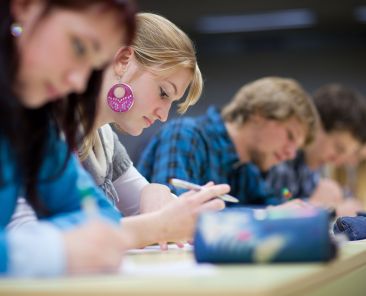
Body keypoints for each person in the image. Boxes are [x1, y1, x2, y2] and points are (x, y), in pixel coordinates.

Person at [1, 0, 230, 277]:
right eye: (78, 47)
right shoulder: (43, 120)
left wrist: (151, 191)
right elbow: (26, 234)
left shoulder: (40, 126)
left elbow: (94, 218)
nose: (77, 81)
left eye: (93, 62)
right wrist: (150, 227)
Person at [138, 77, 318, 206]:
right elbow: (175, 216)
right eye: (290, 136)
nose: (291, 154)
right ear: (259, 113)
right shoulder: (186, 135)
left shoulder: (246, 168)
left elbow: (277, 207)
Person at [266, 84, 366, 213]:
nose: (339, 160)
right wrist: (318, 207)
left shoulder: (314, 171)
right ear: (317, 125)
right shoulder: (280, 159)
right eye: (338, 148)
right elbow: (273, 209)